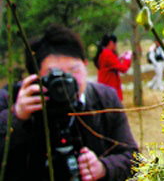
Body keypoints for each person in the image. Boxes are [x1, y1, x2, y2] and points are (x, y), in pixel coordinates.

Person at [0, 25, 139, 181]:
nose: (66, 82)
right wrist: (16, 117)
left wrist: (103, 167)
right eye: (54, 75)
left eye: (74, 70)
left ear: (86, 65)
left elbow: (133, 158)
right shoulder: (13, 100)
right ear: (35, 77)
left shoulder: (105, 99)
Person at [93, 34, 132, 101]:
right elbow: (123, 68)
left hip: (105, 88)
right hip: (110, 90)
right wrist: (127, 58)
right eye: (115, 44)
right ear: (111, 42)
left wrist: (119, 58)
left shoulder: (103, 52)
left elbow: (110, 65)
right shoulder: (107, 54)